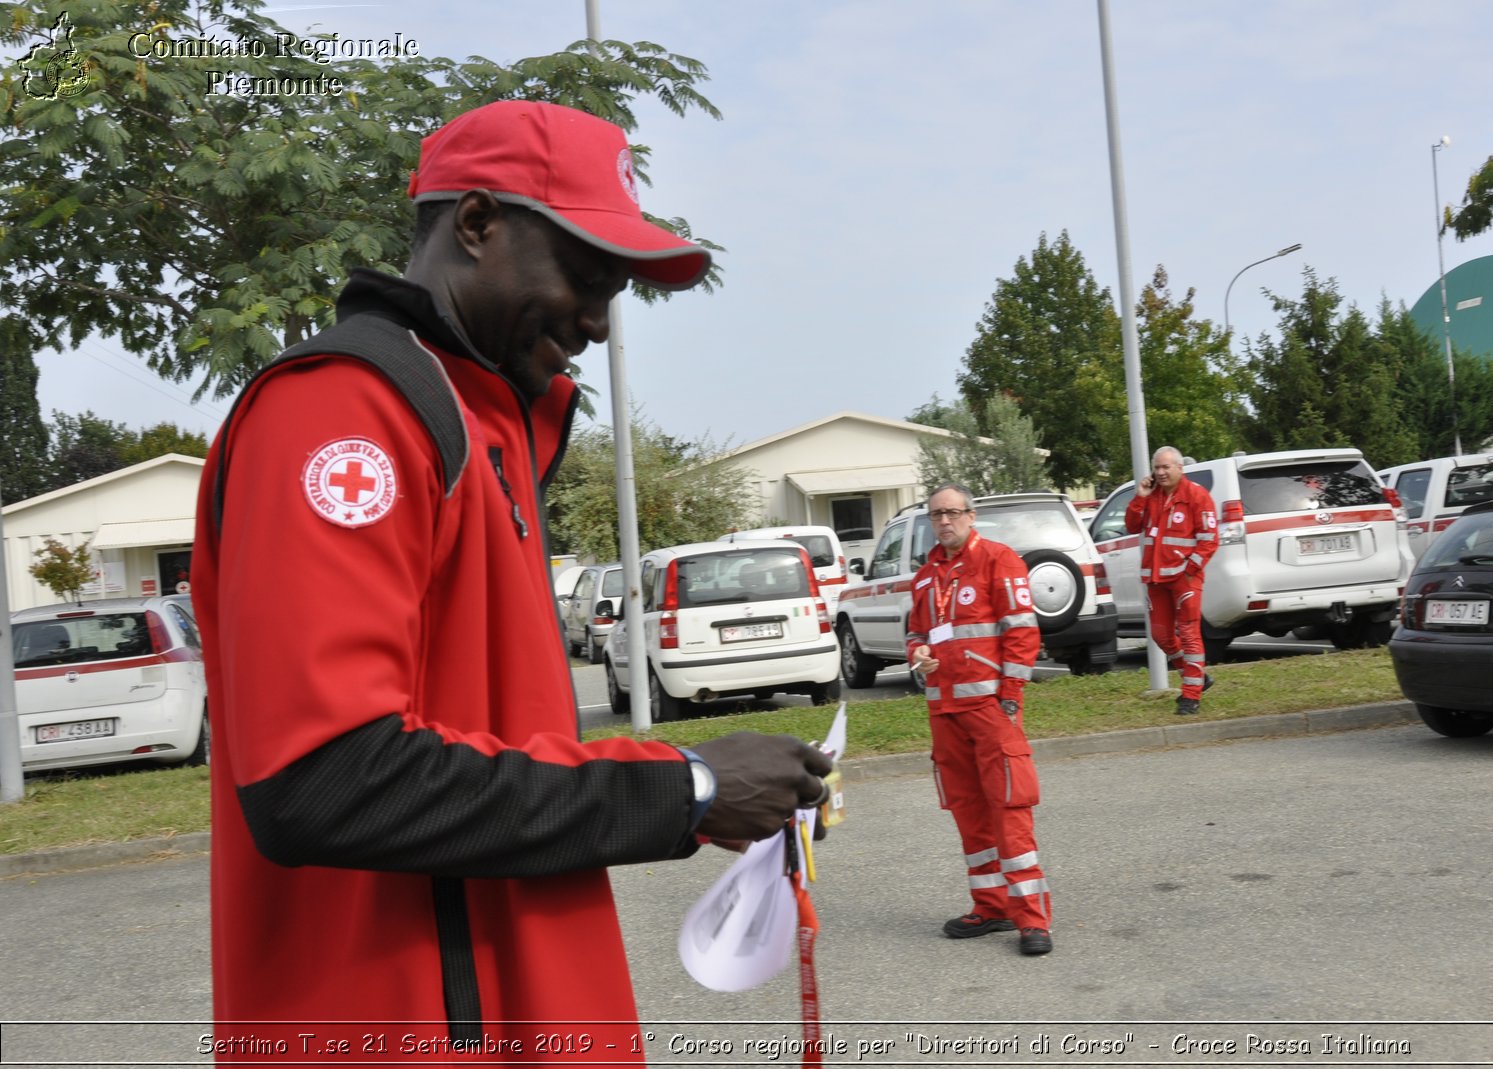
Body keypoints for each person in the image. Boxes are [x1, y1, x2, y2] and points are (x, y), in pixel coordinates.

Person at [190, 100, 833, 1063]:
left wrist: (694, 787)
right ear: (478, 224)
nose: (597, 318)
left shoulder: (492, 422)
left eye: (615, 289)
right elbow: (320, 778)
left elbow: (489, 741)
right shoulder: (342, 414)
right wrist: (688, 788)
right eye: (584, 275)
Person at [907, 484, 1053, 956]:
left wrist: (1009, 699)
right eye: (936, 515)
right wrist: (919, 654)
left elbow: (1023, 633)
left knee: (1009, 810)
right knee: (968, 810)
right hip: (943, 711)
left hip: (990, 710)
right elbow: (915, 633)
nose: (944, 521)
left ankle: (1032, 919)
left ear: (971, 516)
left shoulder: (998, 560)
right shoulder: (926, 576)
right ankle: (991, 907)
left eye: (952, 513)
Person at [1125, 445, 1220, 715]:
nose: (1161, 472)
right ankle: (1197, 678)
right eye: (1157, 467)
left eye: (1166, 467)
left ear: (1180, 468)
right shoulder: (1151, 496)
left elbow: (1209, 539)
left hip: (1185, 579)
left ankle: (1191, 696)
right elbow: (1132, 526)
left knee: (1189, 634)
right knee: (1161, 635)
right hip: (1155, 579)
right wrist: (1140, 496)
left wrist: (1190, 569)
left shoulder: (1197, 496)